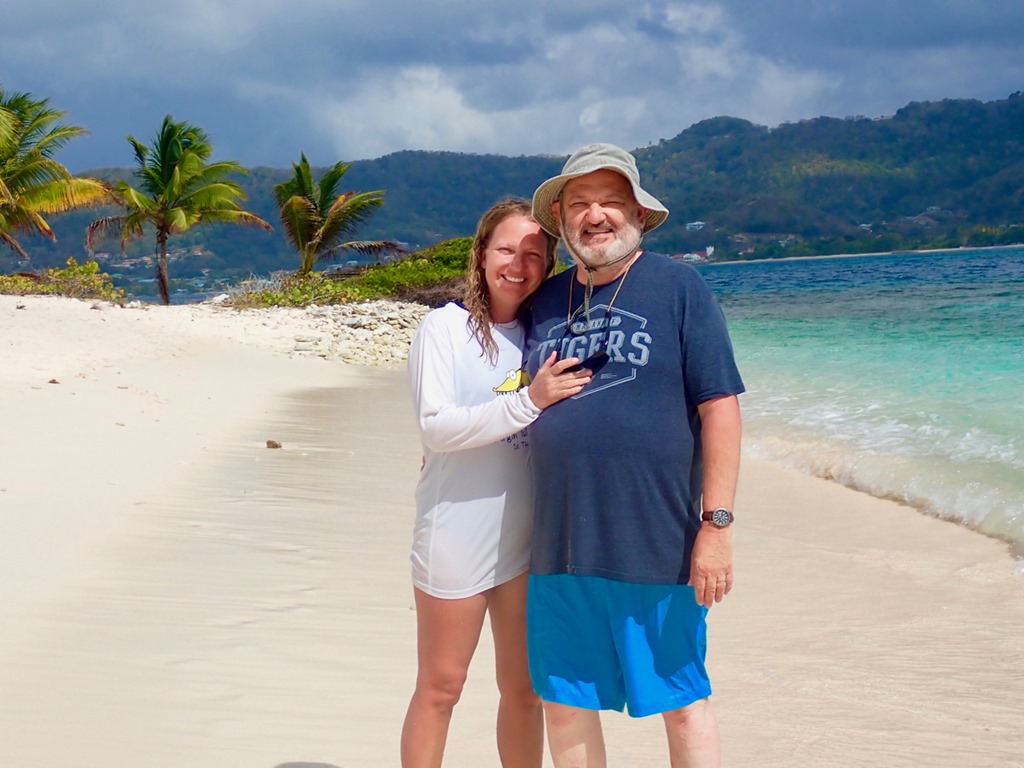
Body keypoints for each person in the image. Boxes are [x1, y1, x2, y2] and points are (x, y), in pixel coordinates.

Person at [523, 144, 745, 768]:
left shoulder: (679, 286)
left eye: (611, 202)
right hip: (557, 544)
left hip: (656, 541)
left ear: (639, 215)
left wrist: (717, 526)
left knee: (682, 698)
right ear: (561, 218)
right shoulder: (546, 301)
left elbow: (720, 407)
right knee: (564, 701)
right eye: (580, 203)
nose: (595, 216)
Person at [402, 197, 592, 768]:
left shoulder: (544, 333)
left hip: (524, 543)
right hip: (456, 535)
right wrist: (529, 400)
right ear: (482, 254)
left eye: (534, 254)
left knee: (525, 690)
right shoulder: (444, 327)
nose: (518, 264)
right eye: (506, 249)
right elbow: (436, 428)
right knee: (442, 688)